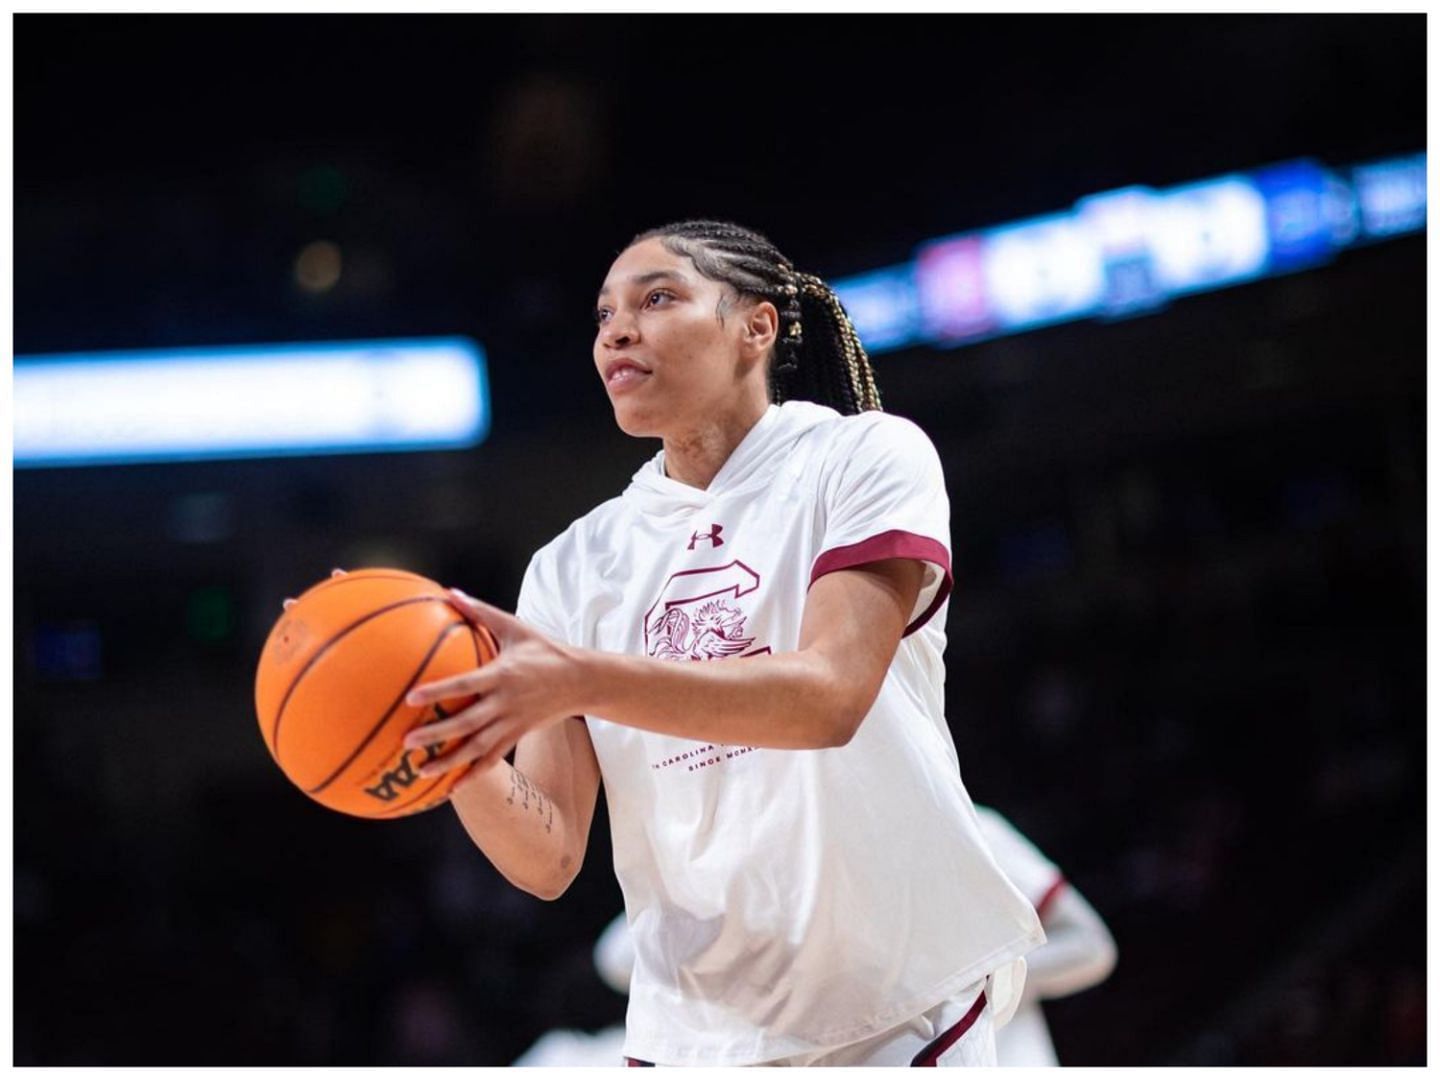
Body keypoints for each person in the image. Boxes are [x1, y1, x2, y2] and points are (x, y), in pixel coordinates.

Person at [400, 220, 1045, 1066]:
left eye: (657, 297)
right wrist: (457, 753)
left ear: (757, 326)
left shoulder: (863, 457)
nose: (617, 331)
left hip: (895, 1012)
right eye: (602, 316)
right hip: (692, 1040)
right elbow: (550, 855)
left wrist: (579, 679)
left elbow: (828, 696)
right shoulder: (570, 566)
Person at [513, 807, 1116, 1068]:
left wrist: (947, 979)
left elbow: (1091, 946)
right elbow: (618, 955)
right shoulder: (785, 867)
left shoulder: (969, 830)